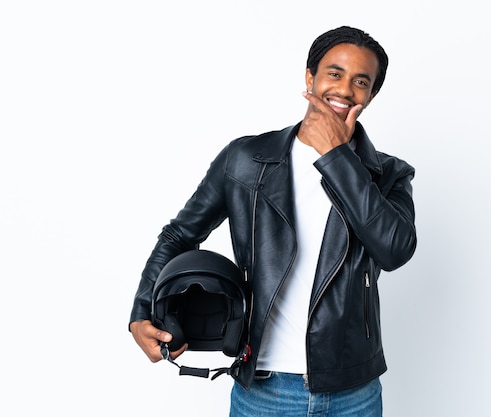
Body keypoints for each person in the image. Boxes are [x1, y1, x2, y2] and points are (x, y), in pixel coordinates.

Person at [129, 25, 417, 416]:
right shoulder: (245, 159)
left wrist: (336, 156)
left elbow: (395, 249)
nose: (345, 89)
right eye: (334, 73)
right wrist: (141, 312)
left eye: (360, 81)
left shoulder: (390, 174)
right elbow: (180, 235)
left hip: (353, 390)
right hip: (264, 388)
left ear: (371, 95)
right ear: (309, 77)